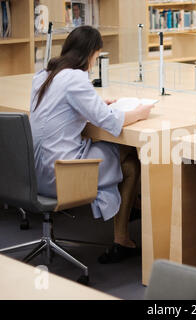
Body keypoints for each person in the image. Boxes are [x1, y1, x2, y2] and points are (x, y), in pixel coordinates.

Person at [30, 26, 154, 264]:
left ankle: (127, 220)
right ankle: (123, 235)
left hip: (33, 174)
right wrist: (140, 112)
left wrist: (92, 104)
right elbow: (110, 122)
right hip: (61, 175)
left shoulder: (44, 74)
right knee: (129, 156)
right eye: (97, 56)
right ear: (90, 54)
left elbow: (57, 111)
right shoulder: (76, 78)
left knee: (128, 166)